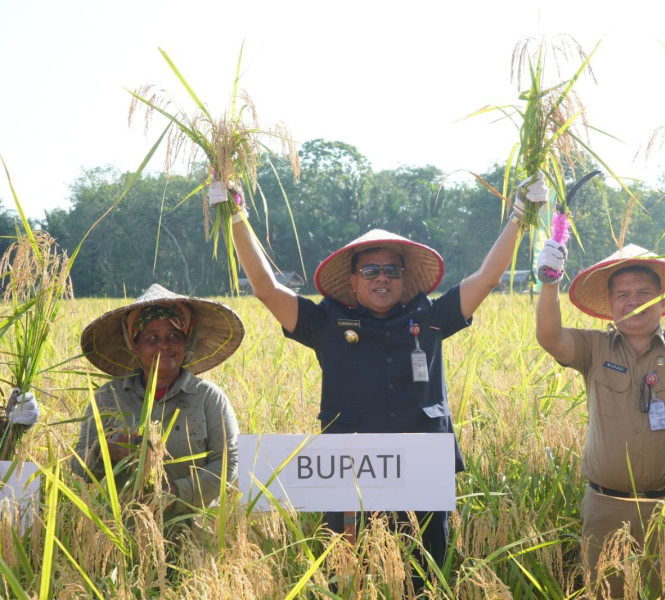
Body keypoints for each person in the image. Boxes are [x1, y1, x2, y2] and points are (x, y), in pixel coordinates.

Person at [208, 174, 548, 571]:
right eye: (370, 271)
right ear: (353, 281)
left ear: (404, 280)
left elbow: (487, 278)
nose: (382, 277)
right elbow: (266, 289)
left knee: (425, 577)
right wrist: (236, 216)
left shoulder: (431, 317)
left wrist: (519, 217)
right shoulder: (325, 323)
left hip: (421, 477)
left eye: (391, 270)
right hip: (350, 480)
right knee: (351, 577)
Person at [535, 241, 665, 596]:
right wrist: (549, 282)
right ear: (610, 303)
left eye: (644, 293)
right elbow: (550, 337)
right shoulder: (594, 348)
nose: (633, 301)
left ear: (662, 300)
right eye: (623, 294)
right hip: (606, 509)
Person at [72, 283, 243, 524]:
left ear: (186, 342)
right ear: (135, 346)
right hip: (122, 530)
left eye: (174, 336)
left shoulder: (208, 398)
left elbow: (229, 464)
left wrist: (174, 493)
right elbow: (77, 465)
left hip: (193, 530)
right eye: (152, 338)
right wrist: (105, 451)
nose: (164, 345)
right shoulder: (108, 398)